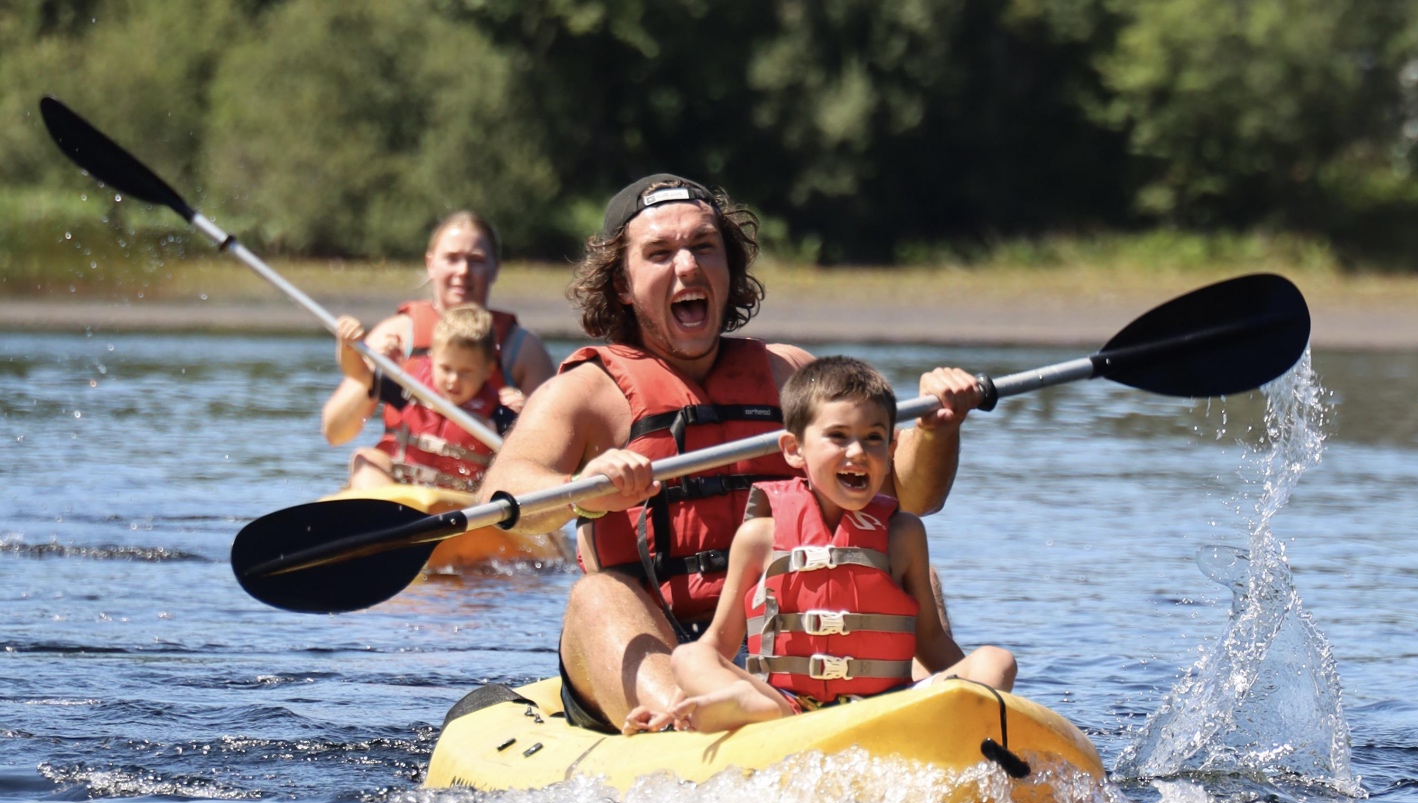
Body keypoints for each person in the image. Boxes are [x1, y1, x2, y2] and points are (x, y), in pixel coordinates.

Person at [480, 173, 986, 734]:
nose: (688, 267)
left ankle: (937, 715)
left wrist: (937, 430)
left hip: (791, 642)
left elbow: (911, 496)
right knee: (596, 595)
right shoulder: (585, 392)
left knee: (897, 548)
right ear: (622, 283)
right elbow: (502, 491)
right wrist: (587, 490)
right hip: (663, 644)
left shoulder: (790, 374)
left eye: (703, 247)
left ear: (728, 268)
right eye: (660, 253)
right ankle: (682, 726)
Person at [625, 356, 1016, 734]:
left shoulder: (904, 534)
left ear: (891, 448)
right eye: (838, 437)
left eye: (874, 438)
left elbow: (929, 641)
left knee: (997, 661)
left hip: (890, 706)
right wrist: (677, 699)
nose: (858, 452)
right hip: (786, 705)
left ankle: (966, 731)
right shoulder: (759, 537)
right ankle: (745, 704)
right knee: (688, 654)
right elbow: (719, 642)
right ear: (794, 450)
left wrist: (971, 689)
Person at [321, 211, 553, 480]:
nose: (463, 271)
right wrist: (367, 363)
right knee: (365, 461)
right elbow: (335, 432)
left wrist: (525, 419)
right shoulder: (396, 334)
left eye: (475, 261)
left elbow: (550, 454)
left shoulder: (522, 349)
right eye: (451, 258)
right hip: (400, 487)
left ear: (494, 268)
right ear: (431, 264)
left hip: (474, 497)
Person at [325, 303, 514, 491]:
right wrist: (347, 345)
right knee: (365, 458)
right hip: (403, 492)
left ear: (488, 370)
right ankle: (381, 511)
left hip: (458, 502)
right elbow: (359, 374)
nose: (453, 380)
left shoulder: (498, 415)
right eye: (446, 368)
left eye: (466, 372)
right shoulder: (411, 392)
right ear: (432, 360)